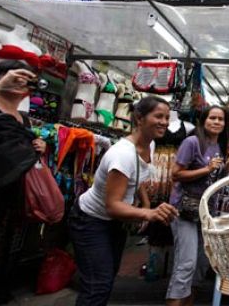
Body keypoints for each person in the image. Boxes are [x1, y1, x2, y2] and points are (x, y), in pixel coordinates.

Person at [69, 96, 178, 306]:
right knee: (97, 285)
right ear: (139, 118)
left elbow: (137, 179)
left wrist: (145, 204)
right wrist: (150, 213)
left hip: (113, 223)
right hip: (90, 221)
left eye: (166, 117)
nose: (164, 122)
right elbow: (113, 206)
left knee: (106, 279)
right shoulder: (122, 155)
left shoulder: (150, 145)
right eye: (158, 116)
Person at [0, 61, 46, 305]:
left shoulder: (23, 119)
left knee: (2, 248)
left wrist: (39, 148)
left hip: (10, 195)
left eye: (26, 79)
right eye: (14, 77)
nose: (19, 82)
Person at [166, 105, 229, 306]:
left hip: (206, 213)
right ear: (203, 120)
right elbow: (175, 174)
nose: (217, 122)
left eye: (221, 119)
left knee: (201, 265)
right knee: (186, 264)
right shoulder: (192, 142)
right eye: (213, 118)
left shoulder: (220, 146)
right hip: (184, 210)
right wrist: (206, 169)